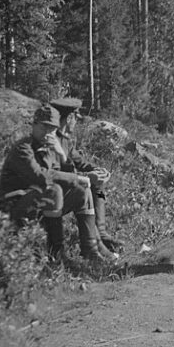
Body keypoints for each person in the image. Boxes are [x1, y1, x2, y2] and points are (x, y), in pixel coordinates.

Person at [0, 103, 115, 263]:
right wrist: (81, 177)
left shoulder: (52, 147)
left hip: (41, 204)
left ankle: (91, 250)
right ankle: (57, 254)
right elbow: (41, 176)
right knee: (55, 190)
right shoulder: (23, 148)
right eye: (43, 127)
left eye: (51, 129)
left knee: (81, 191)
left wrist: (63, 157)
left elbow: (69, 172)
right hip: (13, 206)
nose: (47, 132)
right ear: (34, 125)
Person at [49, 97, 121, 255]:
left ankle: (101, 234)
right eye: (76, 118)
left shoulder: (65, 140)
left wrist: (98, 170)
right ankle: (92, 245)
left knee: (97, 185)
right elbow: (56, 176)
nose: (76, 122)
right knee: (84, 187)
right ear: (69, 118)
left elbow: (80, 162)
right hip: (53, 198)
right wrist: (87, 176)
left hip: (63, 191)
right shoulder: (51, 141)